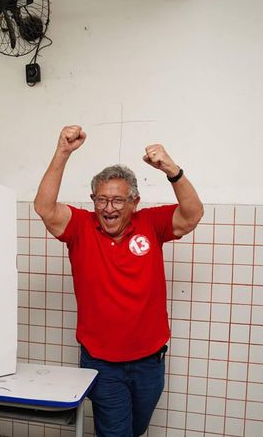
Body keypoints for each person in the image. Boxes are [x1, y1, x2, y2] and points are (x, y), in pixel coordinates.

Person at [34, 125, 204, 437]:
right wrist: (63, 151)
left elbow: (192, 214)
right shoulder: (80, 228)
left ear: (134, 202)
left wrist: (171, 169)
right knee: (115, 433)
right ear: (92, 200)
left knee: (135, 429)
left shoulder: (151, 224)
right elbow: (44, 208)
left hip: (149, 362)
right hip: (102, 363)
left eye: (118, 201)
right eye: (101, 200)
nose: (109, 209)